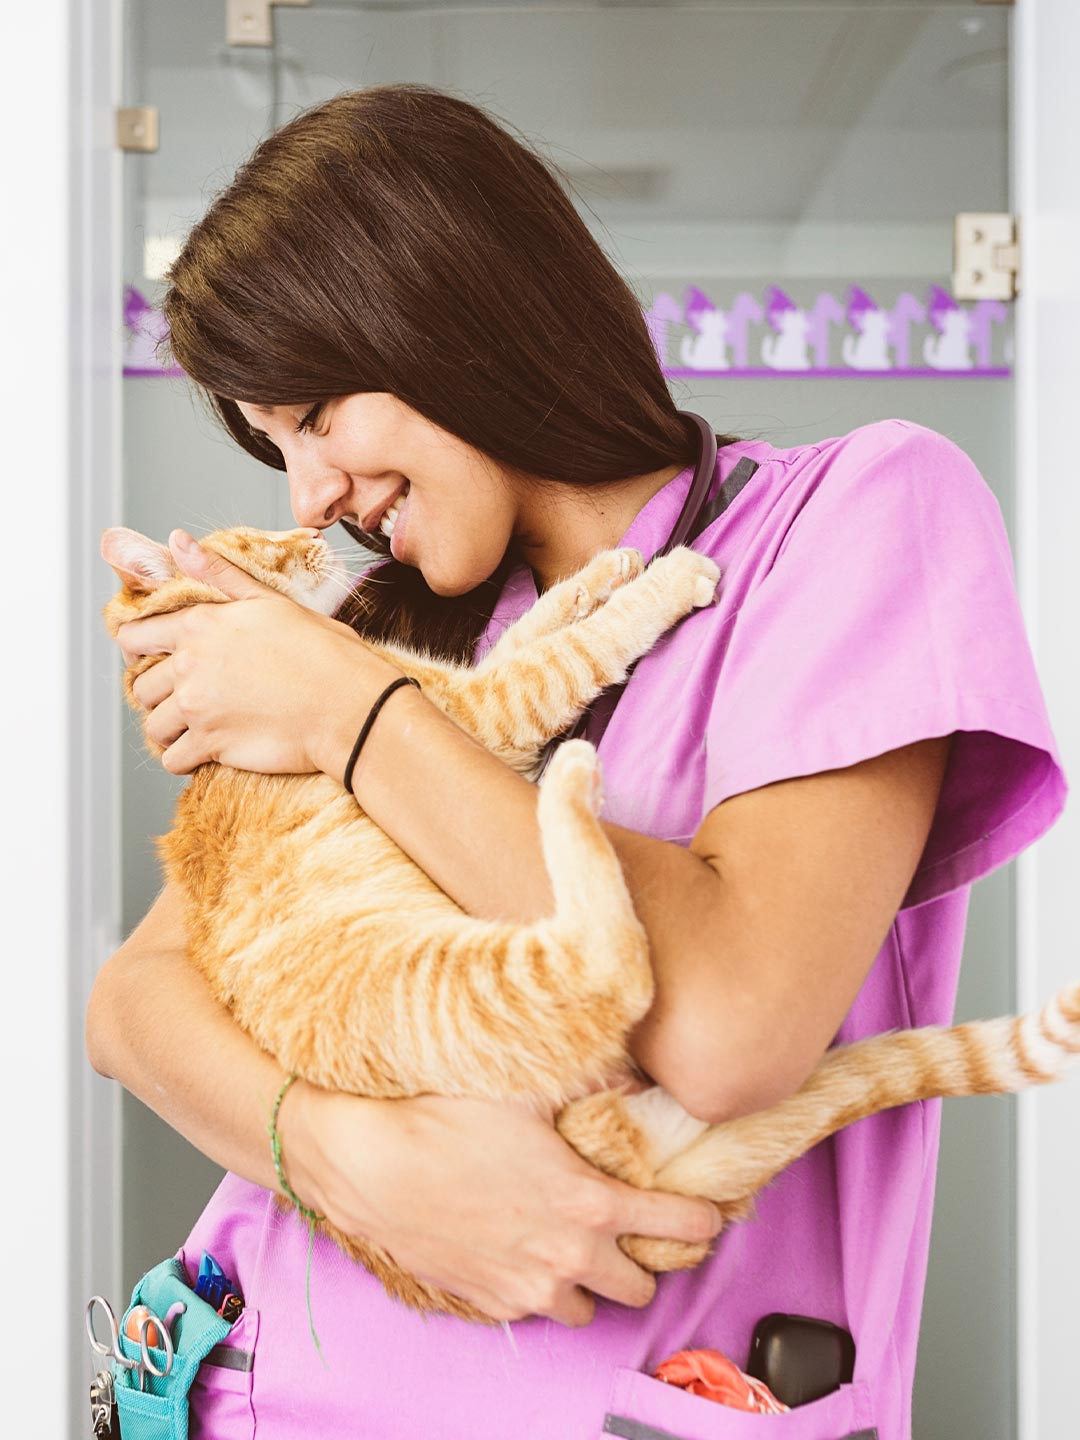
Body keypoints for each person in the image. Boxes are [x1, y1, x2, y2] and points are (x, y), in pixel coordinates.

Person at [85, 83, 1067, 1440]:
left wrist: (352, 718)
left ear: (435, 309)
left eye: (315, 418)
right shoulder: (386, 629)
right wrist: (337, 1153)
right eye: (273, 448)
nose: (309, 499)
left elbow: (729, 1029)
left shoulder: (853, 521)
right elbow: (134, 1001)